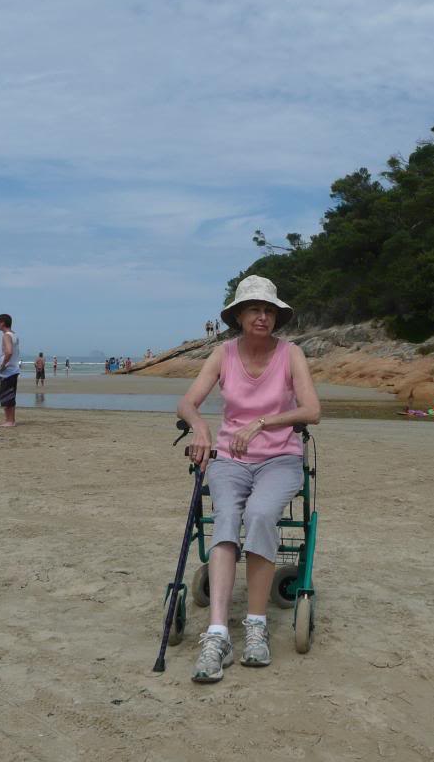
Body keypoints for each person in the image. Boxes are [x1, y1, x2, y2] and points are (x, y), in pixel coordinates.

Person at [178, 275, 320, 684]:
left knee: (259, 514)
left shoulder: (291, 354)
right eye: (255, 308)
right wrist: (200, 428)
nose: (263, 316)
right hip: (230, 460)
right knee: (225, 518)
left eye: (270, 310)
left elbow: (312, 410)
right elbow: (188, 400)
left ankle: (255, 625)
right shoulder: (223, 354)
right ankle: (218, 633)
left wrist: (263, 422)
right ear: (238, 315)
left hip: (280, 458)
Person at [0, 313, 21, 427]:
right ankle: (11, 420)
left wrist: (3, 365)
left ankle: (9, 421)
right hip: (13, 370)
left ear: (3, 323)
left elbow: (9, 352)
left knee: (6, 396)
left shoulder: (6, 335)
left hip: (8, 372)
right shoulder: (14, 335)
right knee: (11, 396)